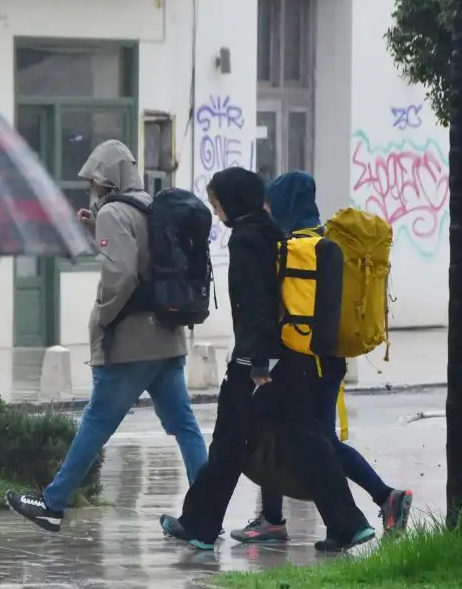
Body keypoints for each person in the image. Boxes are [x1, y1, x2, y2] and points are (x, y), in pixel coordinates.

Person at [159, 166, 376, 553]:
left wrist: (257, 362)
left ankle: (199, 526)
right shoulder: (274, 232)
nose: (217, 213)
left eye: (217, 204)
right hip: (289, 358)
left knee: (228, 444)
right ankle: (349, 524)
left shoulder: (245, 240)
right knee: (309, 441)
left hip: (255, 364)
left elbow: (256, 303)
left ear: (233, 201)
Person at [8, 139, 207, 531]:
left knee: (96, 423)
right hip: (167, 339)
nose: (91, 187)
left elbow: (122, 274)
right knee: (185, 426)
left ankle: (52, 503)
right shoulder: (150, 206)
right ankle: (205, 512)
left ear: (108, 177)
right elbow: (142, 254)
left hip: (131, 343)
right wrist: (94, 225)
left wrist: (103, 317)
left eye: (94, 180)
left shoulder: (114, 213)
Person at [230, 171, 413, 544]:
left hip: (296, 361)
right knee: (299, 436)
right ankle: (275, 518)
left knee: (304, 439)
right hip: (329, 359)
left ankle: (375, 501)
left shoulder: (289, 249)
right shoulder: (329, 243)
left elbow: (272, 311)